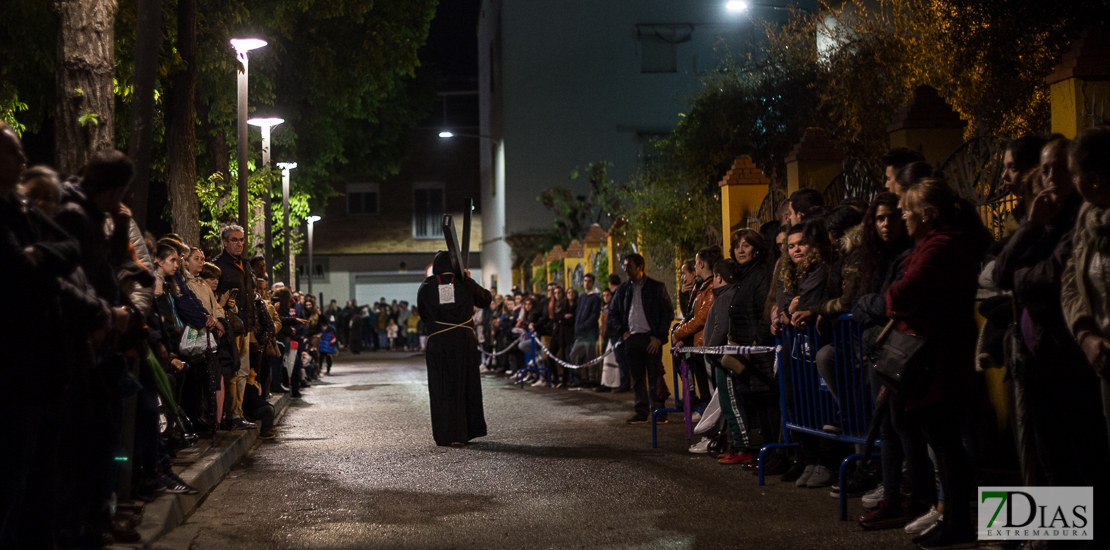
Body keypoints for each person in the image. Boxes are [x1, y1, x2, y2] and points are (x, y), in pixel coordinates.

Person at [885, 178, 992, 549]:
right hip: (935, 354)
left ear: (927, 215)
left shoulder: (940, 247)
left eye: (907, 209)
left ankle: (959, 521)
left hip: (939, 357)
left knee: (946, 443)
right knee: (941, 441)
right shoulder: (931, 245)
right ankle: (953, 518)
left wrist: (894, 300)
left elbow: (902, 290)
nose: (902, 214)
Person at [1063, 127, 1110, 443]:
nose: (1072, 182)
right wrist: (1085, 335)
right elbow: (1070, 282)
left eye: (1073, 173)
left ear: (1093, 177)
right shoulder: (1087, 217)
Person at [417, 252, 493, 446]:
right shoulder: (464, 283)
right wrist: (468, 279)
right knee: (464, 385)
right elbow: (485, 299)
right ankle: (465, 432)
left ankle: (445, 434)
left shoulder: (426, 286)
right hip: (462, 342)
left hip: (438, 343)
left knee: (441, 387)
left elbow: (423, 314)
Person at [608, 253, 675, 424]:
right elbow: (613, 313)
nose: (625, 269)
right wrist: (623, 331)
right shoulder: (623, 290)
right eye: (624, 265)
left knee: (655, 376)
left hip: (650, 339)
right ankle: (641, 411)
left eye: (629, 266)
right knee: (637, 379)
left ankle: (659, 412)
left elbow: (667, 312)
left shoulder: (656, 287)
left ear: (640, 267)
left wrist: (659, 337)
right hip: (631, 339)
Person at [210, 225, 257, 430]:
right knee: (233, 371)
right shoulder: (218, 265)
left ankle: (237, 413)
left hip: (244, 325)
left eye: (241, 240)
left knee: (244, 371)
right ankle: (232, 415)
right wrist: (223, 302)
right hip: (229, 326)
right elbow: (212, 293)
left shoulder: (245, 264)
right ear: (225, 242)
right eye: (234, 240)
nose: (239, 243)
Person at [672, 246, 721, 411]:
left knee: (711, 394)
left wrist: (678, 332)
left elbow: (700, 319)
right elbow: (689, 315)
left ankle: (717, 434)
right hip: (697, 347)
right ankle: (712, 433)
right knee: (707, 394)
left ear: (700, 264)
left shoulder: (711, 287)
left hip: (704, 347)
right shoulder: (701, 287)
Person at [572, 273, 602, 388]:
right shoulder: (582, 297)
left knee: (591, 358)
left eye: (589, 281)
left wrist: (583, 326)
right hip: (580, 334)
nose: (586, 283)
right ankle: (579, 378)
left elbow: (594, 317)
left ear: (593, 282)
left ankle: (592, 380)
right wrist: (577, 328)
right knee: (574, 354)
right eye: (585, 281)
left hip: (589, 334)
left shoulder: (596, 298)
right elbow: (578, 314)